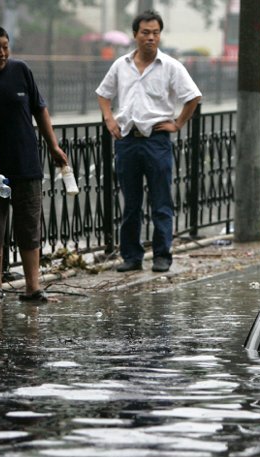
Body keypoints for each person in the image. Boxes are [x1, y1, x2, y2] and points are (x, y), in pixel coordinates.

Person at [96, 9, 201, 273]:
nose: (151, 38)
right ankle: (131, 256)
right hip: (127, 141)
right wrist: (109, 118)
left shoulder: (171, 66)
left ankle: (162, 255)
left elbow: (193, 97)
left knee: (161, 200)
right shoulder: (121, 65)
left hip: (157, 141)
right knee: (130, 203)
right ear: (135, 35)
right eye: (145, 33)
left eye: (155, 33)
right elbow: (103, 93)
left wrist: (178, 123)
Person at [0, 25, 68, 303]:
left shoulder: (21, 71)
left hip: (26, 162)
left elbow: (40, 109)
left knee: (28, 226)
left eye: (5, 46)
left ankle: (32, 286)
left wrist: (53, 146)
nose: (1, 53)